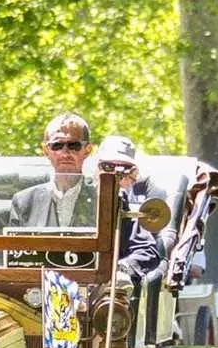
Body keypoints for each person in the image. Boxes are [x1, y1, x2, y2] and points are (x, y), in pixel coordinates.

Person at [9, 114, 159, 283]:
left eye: (73, 146)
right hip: (34, 296)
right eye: (57, 146)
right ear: (46, 150)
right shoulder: (24, 201)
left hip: (93, 295)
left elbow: (146, 250)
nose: (65, 153)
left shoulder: (109, 197)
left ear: (87, 150)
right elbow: (7, 260)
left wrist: (118, 272)